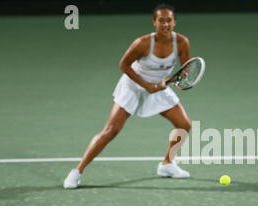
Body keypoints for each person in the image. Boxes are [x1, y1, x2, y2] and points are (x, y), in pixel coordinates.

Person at [64, 4, 192, 189]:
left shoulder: (181, 42)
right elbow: (124, 65)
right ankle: (77, 171)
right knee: (111, 131)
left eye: (169, 20)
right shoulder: (142, 43)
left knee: (184, 125)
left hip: (159, 88)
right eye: (161, 20)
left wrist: (172, 79)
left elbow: (184, 69)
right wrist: (146, 85)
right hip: (132, 87)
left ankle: (167, 164)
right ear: (154, 22)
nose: (165, 24)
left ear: (175, 22)